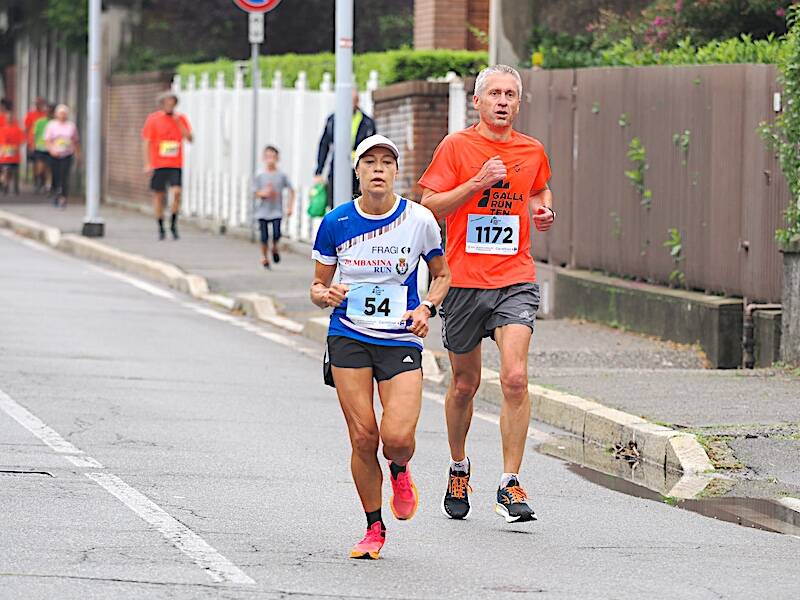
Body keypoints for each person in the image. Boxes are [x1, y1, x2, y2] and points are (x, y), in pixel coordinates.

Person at [419, 65, 555, 524]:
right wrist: (477, 182)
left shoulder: (531, 149)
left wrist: (542, 211)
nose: (502, 101)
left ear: (519, 103)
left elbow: (538, 189)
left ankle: (509, 483)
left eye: (510, 94)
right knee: (465, 384)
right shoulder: (457, 147)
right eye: (494, 93)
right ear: (477, 102)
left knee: (515, 378)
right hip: (463, 282)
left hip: (515, 276)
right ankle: (459, 467)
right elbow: (428, 205)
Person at [310, 134, 450, 559]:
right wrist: (325, 294)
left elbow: (443, 275)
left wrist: (426, 307)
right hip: (349, 335)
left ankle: (401, 469)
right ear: (357, 171)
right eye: (368, 162)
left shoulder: (419, 220)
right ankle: (373, 527)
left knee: (397, 437)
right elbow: (318, 285)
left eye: (385, 162)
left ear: (395, 172)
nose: (377, 169)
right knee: (363, 437)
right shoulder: (336, 222)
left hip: (400, 338)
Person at [142, 91, 193, 240]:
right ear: (162, 104)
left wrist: (178, 123)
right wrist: (147, 163)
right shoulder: (153, 119)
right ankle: (160, 226)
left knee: (177, 192)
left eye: (173, 103)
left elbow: (190, 138)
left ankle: (173, 222)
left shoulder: (181, 118)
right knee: (159, 195)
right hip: (159, 163)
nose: (170, 106)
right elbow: (146, 142)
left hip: (175, 163)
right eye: (168, 103)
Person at [314, 89, 376, 204]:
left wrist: (367, 175)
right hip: (337, 167)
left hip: (358, 169)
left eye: (354, 101)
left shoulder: (367, 122)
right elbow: (324, 145)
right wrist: (319, 171)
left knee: (356, 203)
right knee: (335, 203)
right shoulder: (333, 120)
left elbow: (372, 151)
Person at [254, 145, 295, 269]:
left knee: (277, 233)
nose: (270, 159)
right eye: (267, 157)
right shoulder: (259, 175)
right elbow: (254, 191)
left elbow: (292, 190)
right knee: (264, 237)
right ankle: (264, 257)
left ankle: (275, 248)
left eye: (272, 156)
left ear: (277, 158)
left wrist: (290, 207)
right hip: (262, 210)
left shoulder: (281, 175)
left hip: (276, 210)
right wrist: (262, 193)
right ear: (263, 158)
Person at [44, 104, 81, 209]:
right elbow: (47, 140)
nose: (63, 115)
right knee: (56, 175)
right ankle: (55, 193)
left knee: (64, 176)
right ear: (56, 114)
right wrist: (51, 150)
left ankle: (63, 197)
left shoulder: (71, 126)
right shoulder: (51, 125)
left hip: (67, 154)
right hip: (55, 154)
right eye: (61, 113)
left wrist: (78, 154)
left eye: (64, 113)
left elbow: (76, 141)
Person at [24, 97, 49, 192]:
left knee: (45, 165)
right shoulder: (31, 115)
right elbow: (27, 128)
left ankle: (43, 182)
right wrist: (29, 142)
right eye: (38, 103)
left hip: (45, 144)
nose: (40, 105)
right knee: (36, 163)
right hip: (34, 142)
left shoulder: (46, 115)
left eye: (42, 103)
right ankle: (37, 181)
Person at [0, 102, 24, 196]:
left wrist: (16, 146)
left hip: (14, 155)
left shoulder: (17, 129)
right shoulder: (1, 130)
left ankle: (15, 187)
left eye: (11, 118)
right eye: (7, 118)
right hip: (4, 156)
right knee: (5, 171)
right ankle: (5, 186)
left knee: (14, 172)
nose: (9, 119)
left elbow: (22, 140)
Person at [31, 104, 55, 194]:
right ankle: (39, 181)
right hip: (41, 148)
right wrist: (33, 145)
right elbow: (34, 134)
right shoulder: (40, 122)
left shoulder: (56, 123)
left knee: (50, 168)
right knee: (40, 168)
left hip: (52, 148)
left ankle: (48, 186)